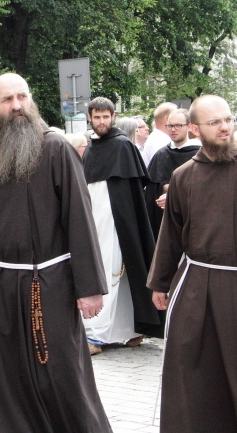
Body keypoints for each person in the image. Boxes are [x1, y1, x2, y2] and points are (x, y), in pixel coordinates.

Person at [0, 73, 111, 432]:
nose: (17, 106)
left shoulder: (55, 148)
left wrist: (89, 286)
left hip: (51, 282)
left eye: (22, 97)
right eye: (8, 100)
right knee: (3, 378)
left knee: (61, 374)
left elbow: (80, 219)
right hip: (0, 284)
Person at [148, 94, 237, 433]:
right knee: (190, 366)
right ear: (195, 128)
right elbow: (171, 234)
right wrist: (160, 283)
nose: (225, 127)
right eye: (214, 122)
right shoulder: (183, 176)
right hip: (194, 285)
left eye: (227, 119)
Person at [82, 97, 163, 355]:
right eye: (97, 117)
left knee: (112, 272)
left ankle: (96, 335)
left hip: (117, 222)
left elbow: (130, 194)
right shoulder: (92, 148)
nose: (101, 121)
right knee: (114, 273)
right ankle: (129, 330)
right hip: (95, 219)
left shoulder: (122, 146)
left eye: (106, 116)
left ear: (113, 117)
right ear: (90, 118)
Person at [144, 108, 201, 239]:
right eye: (170, 125)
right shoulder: (161, 155)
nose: (173, 129)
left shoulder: (198, 154)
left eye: (178, 125)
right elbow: (151, 190)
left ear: (189, 127)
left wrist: (171, 191)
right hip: (162, 221)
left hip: (190, 219)